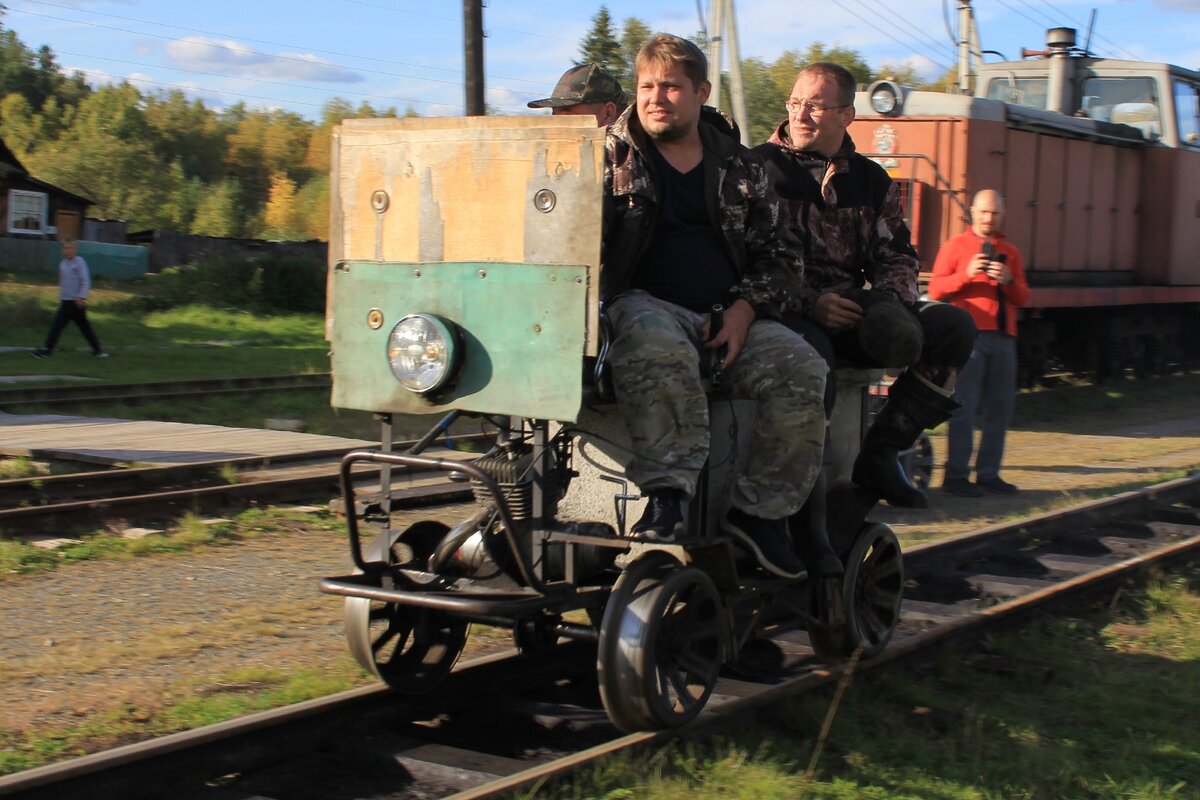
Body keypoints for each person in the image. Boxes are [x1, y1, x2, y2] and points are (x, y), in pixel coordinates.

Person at [602, 33, 832, 580]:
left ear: (701, 92)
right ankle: (667, 499)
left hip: (726, 316)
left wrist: (744, 311)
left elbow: (781, 256)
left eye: (671, 87)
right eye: (647, 87)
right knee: (652, 339)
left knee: (804, 368)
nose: (656, 98)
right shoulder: (606, 158)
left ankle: (759, 517)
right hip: (640, 307)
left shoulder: (740, 166)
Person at [754, 62, 976, 511]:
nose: (800, 114)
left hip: (852, 308)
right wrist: (810, 303)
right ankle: (803, 502)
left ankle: (883, 451)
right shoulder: (755, 168)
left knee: (954, 327)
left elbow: (897, 255)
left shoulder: (872, 180)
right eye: (795, 103)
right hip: (782, 311)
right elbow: (744, 258)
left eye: (815, 106)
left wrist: (888, 306)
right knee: (813, 355)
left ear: (846, 115)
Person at [928, 189, 1030, 496]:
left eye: (995, 213)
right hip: (967, 338)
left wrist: (1008, 280)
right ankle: (956, 476)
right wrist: (966, 274)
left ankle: (988, 474)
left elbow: (1024, 298)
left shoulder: (1010, 252)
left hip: (1003, 338)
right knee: (964, 406)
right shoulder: (954, 246)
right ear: (972, 212)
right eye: (984, 212)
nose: (989, 218)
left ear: (1002, 215)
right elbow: (936, 290)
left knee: (1000, 408)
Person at [32, 237, 107, 359]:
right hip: (66, 302)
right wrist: (61, 296)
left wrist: (81, 297)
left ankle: (47, 350)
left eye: (70, 248)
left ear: (75, 249)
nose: (68, 250)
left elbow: (85, 281)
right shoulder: (62, 264)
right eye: (66, 248)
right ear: (63, 250)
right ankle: (97, 350)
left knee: (82, 327)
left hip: (76, 303)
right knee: (60, 325)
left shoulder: (80, 262)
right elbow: (63, 283)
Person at [528, 63, 625, 127]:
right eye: (554, 116)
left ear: (608, 114)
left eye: (567, 118)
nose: (557, 126)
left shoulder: (628, 151)